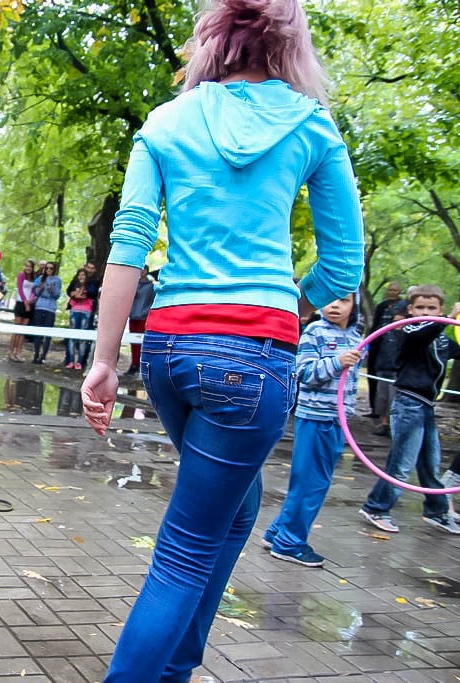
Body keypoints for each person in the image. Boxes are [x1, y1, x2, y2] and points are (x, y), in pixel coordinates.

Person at [79, 1, 365, 679]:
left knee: (236, 515)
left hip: (171, 351)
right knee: (184, 550)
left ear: (212, 40)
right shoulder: (311, 126)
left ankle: (176, 667)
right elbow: (343, 268)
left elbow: (128, 246)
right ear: (292, 45)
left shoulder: (166, 122)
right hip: (253, 359)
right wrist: (280, 303)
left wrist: (104, 358)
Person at [263, 293, 363, 567]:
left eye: (343, 301)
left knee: (313, 480)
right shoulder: (315, 332)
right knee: (311, 483)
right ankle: (290, 542)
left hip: (337, 420)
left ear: (354, 306)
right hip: (316, 417)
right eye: (330, 299)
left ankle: (277, 533)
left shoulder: (356, 336)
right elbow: (303, 373)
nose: (334, 305)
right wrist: (336, 362)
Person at [359, 287, 460, 535]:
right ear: (411, 311)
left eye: (432, 309)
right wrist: (446, 320)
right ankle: (376, 507)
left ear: (441, 310)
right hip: (408, 404)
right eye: (421, 308)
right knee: (402, 465)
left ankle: (436, 511)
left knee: (429, 463)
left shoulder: (444, 340)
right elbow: (421, 336)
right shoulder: (409, 332)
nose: (426, 313)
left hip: (426, 407)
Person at [365, 281, 402, 417]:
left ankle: (389, 415)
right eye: (390, 290)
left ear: (399, 292)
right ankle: (375, 409)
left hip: (394, 346)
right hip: (378, 344)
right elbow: (375, 325)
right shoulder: (381, 306)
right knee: (374, 376)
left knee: (390, 383)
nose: (392, 292)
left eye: (395, 290)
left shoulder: (402, 306)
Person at [125, 268, 156, 374]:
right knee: (134, 342)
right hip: (133, 316)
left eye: (143, 270)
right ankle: (134, 365)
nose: (141, 272)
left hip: (144, 317)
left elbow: (152, 301)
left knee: (144, 342)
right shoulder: (132, 284)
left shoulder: (151, 286)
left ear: (146, 271)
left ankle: (144, 366)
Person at [30, 261, 61, 364]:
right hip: (40, 306)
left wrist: (52, 290)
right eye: (47, 268)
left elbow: (57, 295)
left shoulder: (57, 280)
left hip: (50, 308)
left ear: (54, 269)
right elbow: (35, 292)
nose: (48, 270)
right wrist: (40, 288)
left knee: (47, 333)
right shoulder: (40, 279)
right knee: (38, 332)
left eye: (51, 268)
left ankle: (43, 356)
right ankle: (36, 353)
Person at [64, 268, 95, 371]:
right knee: (72, 337)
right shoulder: (74, 284)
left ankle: (80, 362)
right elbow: (69, 292)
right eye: (79, 275)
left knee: (82, 338)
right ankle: (70, 361)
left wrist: (82, 293)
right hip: (74, 310)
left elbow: (91, 293)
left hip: (86, 312)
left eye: (83, 275)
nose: (81, 277)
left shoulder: (91, 284)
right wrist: (75, 294)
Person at [8, 259, 37, 362]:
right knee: (17, 329)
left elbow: (34, 290)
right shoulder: (21, 275)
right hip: (21, 303)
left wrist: (31, 300)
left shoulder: (34, 277)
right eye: (26, 266)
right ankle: (11, 351)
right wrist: (25, 301)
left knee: (23, 330)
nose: (28, 268)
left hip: (30, 304)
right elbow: (20, 289)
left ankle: (18, 352)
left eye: (30, 266)